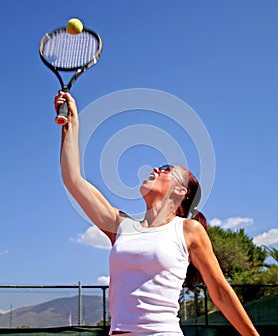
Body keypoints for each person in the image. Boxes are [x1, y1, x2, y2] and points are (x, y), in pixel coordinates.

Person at [55, 91, 259, 336]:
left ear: (180, 190)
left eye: (165, 169)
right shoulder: (121, 227)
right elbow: (73, 179)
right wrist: (72, 124)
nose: (155, 168)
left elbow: (220, 292)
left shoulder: (187, 230)